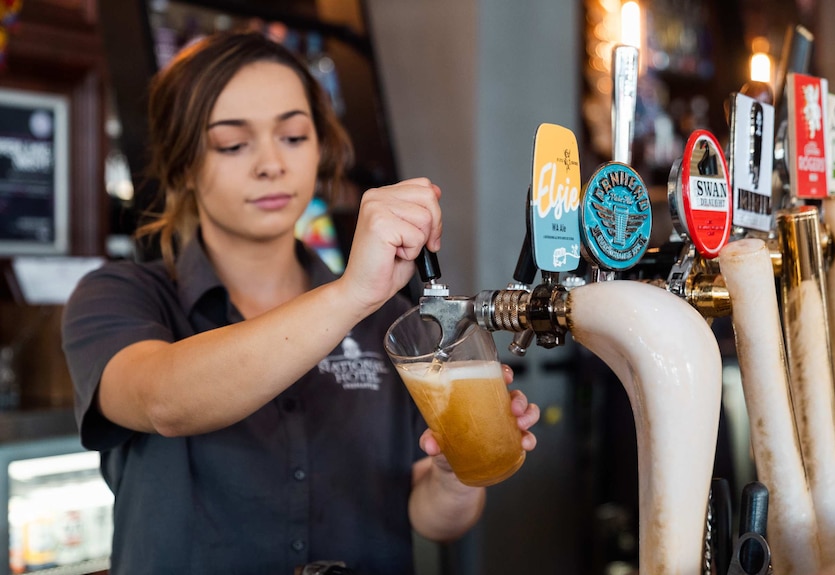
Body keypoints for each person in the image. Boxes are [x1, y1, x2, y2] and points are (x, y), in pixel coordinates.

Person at [61, 30, 539, 575]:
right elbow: (163, 401)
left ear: (320, 147)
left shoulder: (388, 321)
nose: (271, 165)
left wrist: (455, 474)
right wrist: (349, 295)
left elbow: (430, 515)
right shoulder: (119, 297)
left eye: (292, 136)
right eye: (232, 144)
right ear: (183, 164)